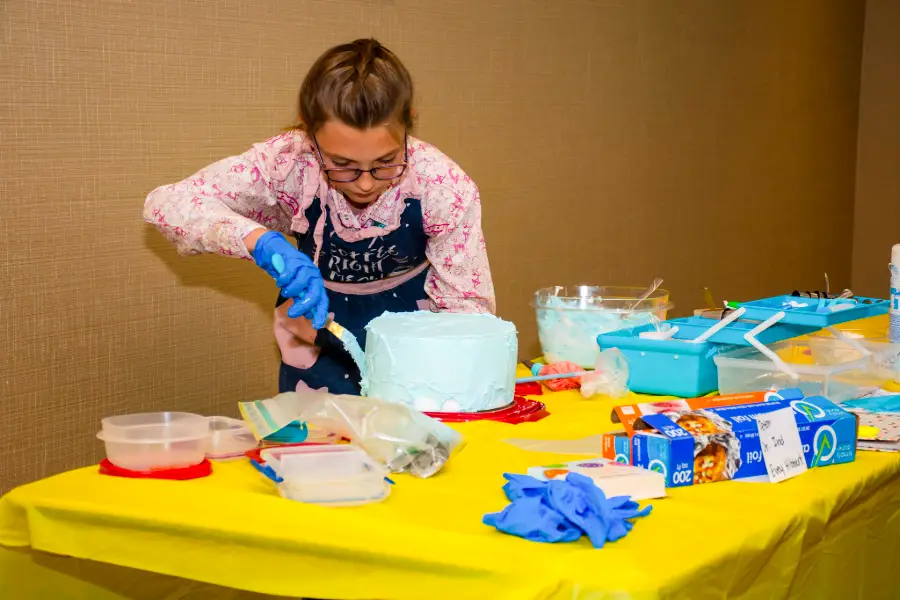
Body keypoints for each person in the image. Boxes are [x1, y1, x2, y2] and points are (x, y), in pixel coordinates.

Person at [144, 38, 495, 395]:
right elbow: (167, 204)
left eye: (385, 162)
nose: (364, 184)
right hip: (315, 348)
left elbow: (465, 314)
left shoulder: (441, 185)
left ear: (409, 125)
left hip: (414, 358)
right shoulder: (289, 164)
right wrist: (258, 241)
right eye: (342, 165)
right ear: (309, 135)